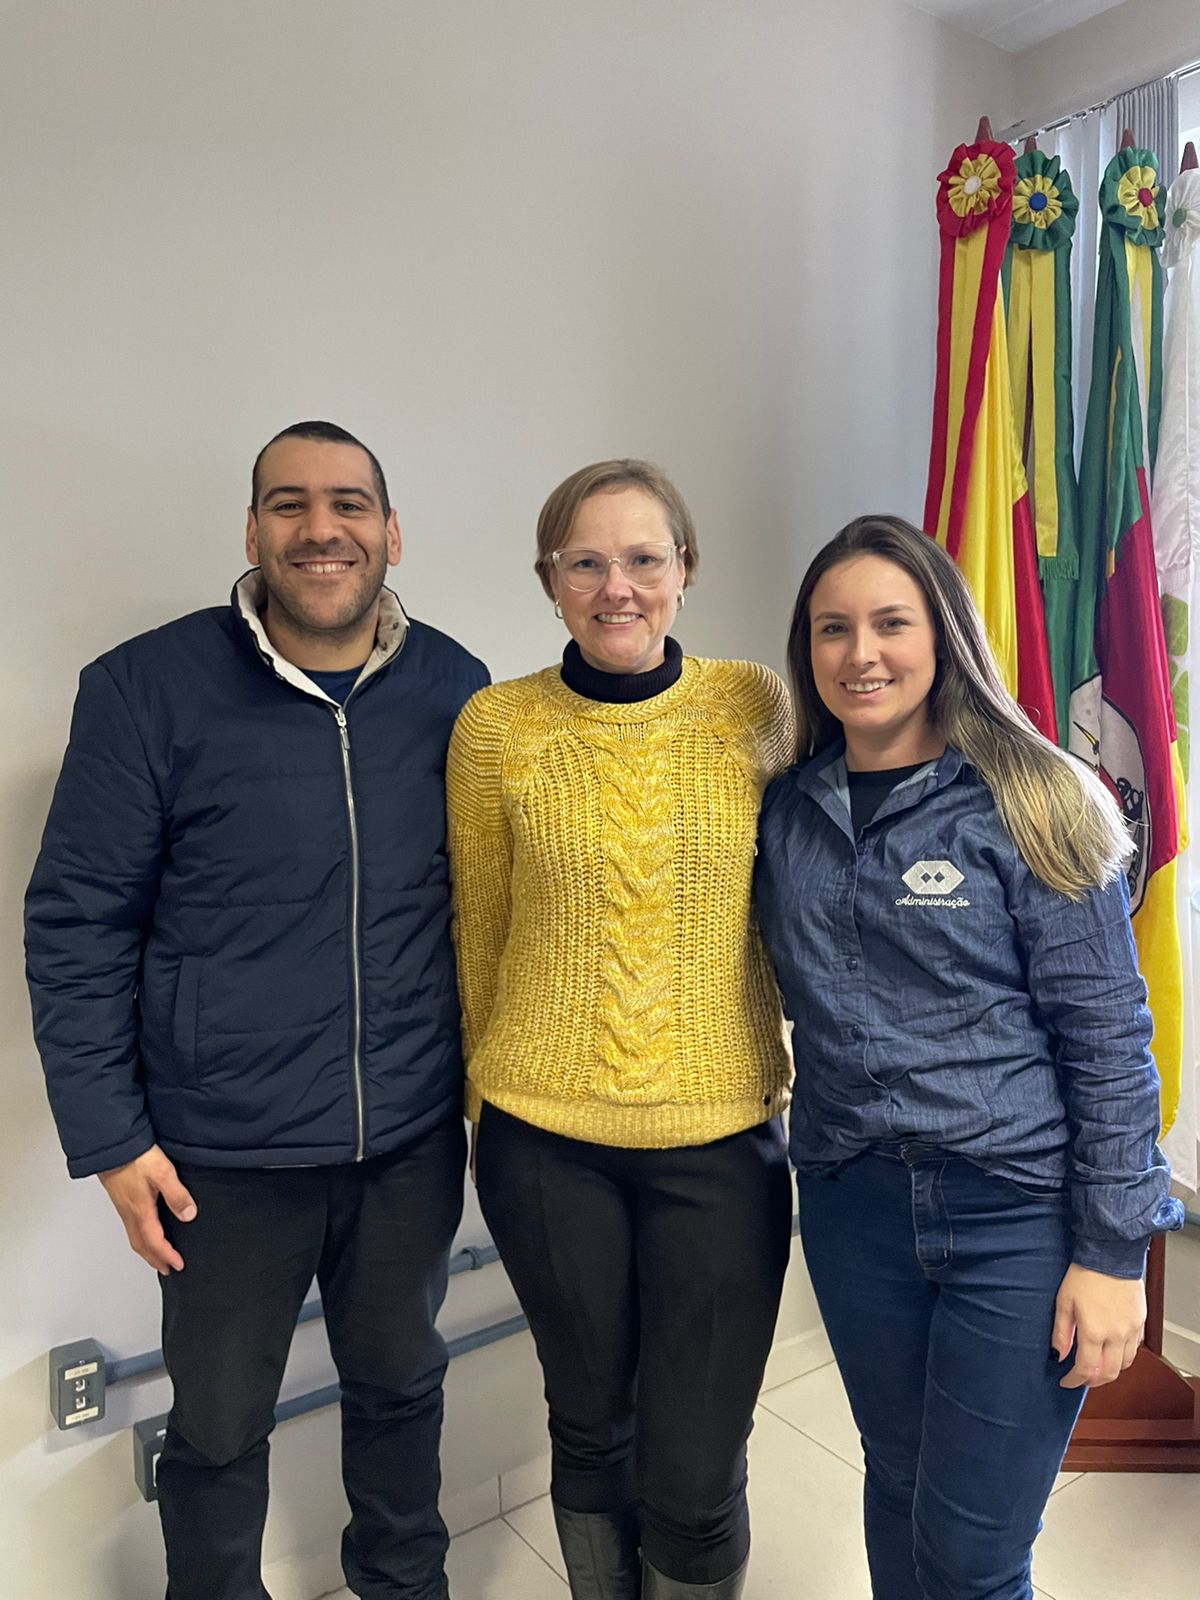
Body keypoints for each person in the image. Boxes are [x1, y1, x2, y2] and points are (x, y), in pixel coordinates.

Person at [25, 420, 488, 1600]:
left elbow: (486, 903)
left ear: (393, 533)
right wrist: (111, 1136)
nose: (320, 528)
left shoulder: (456, 686)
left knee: (402, 1393)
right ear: (252, 530)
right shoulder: (144, 689)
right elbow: (77, 921)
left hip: (407, 1139)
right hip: (219, 1157)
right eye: (289, 504)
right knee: (220, 1428)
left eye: (348, 503)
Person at [753, 514, 1184, 1600]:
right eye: (833, 628)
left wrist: (1114, 1254)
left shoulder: (1037, 797)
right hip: (853, 1207)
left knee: (973, 1557)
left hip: (1016, 1216)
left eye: (891, 623)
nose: (861, 653)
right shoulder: (785, 813)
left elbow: (1108, 1039)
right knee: (899, 1484)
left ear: (943, 634)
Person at [446, 459, 794, 1600]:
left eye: (644, 559)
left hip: (720, 1136)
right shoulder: (496, 728)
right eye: (585, 563)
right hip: (544, 1138)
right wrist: (480, 1100)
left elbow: (809, 891)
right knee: (592, 1427)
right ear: (550, 581)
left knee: (696, 1467)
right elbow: (479, 929)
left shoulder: (756, 709)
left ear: (685, 569)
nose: (617, 588)